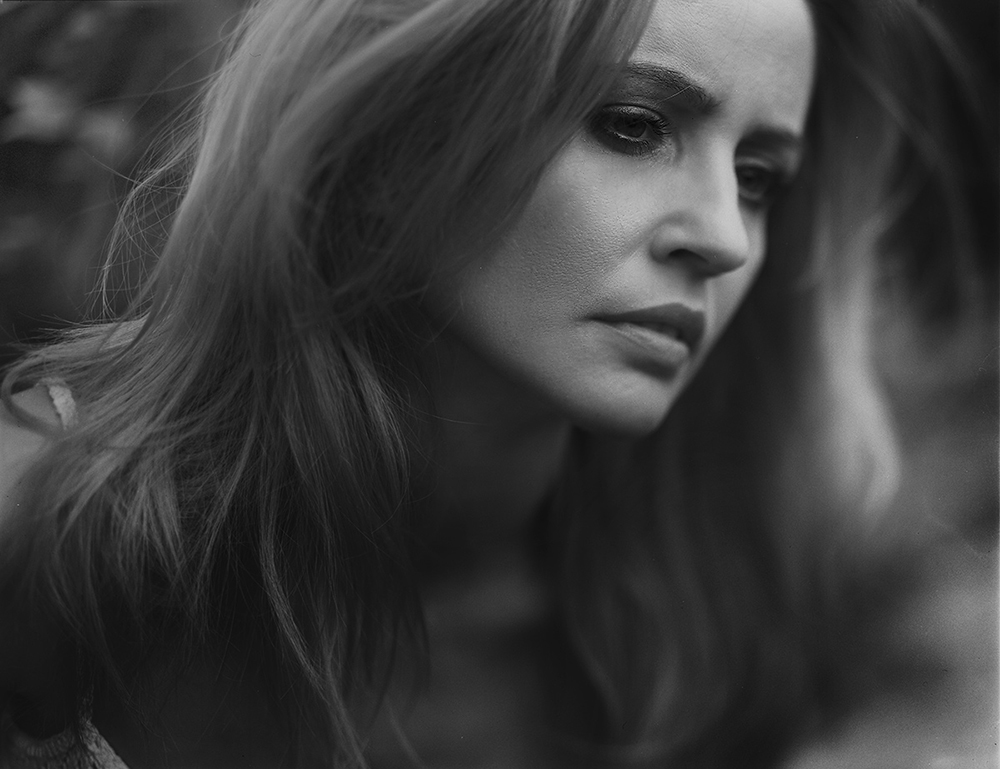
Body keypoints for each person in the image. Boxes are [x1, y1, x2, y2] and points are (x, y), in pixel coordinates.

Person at [0, 0, 980, 767]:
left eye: (759, 176)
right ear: (398, 125)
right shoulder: (52, 525)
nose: (724, 235)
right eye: (635, 124)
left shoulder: (718, 618)